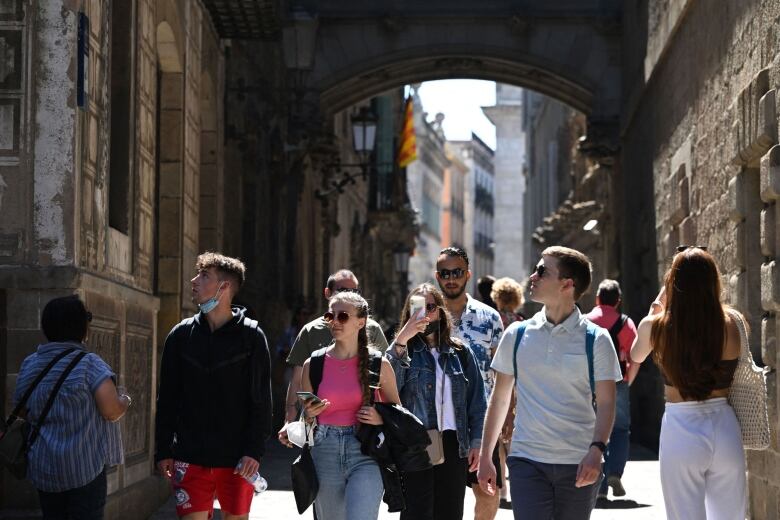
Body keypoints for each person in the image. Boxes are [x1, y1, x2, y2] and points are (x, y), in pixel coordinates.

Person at [478, 246, 622, 520]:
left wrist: (596, 451)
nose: (533, 276)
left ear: (567, 284)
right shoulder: (517, 335)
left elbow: (606, 402)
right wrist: (487, 456)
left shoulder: (597, 339)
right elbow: (499, 399)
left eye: (542, 271)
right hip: (526, 461)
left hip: (579, 463)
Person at [630, 246, 746, 520]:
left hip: (681, 427)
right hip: (724, 425)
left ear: (673, 283)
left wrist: (656, 308)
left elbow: (635, 355)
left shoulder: (656, 327)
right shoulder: (732, 323)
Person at [155, 252, 272, 520]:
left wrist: (253, 451)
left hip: (237, 460)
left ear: (225, 287)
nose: (194, 280)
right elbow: (168, 398)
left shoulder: (252, 337)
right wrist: (163, 449)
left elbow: (261, 402)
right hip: (189, 455)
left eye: (204, 275)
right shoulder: (180, 336)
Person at [13, 295, 128, 519]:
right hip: (84, 471)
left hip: (45, 469)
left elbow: (21, 409)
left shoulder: (30, 364)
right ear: (81, 327)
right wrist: (125, 399)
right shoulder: (90, 365)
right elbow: (112, 411)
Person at [387, 283, 487, 520]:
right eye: (417, 308)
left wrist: (476, 441)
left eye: (430, 306)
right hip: (416, 444)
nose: (424, 314)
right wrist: (401, 340)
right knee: (416, 514)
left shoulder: (460, 352)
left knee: (450, 513)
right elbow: (385, 389)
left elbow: (478, 402)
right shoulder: (403, 351)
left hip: (454, 444)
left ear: (441, 311)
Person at [299, 291, 401, 520]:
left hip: (365, 450)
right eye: (330, 315)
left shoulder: (379, 364)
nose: (334, 321)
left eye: (343, 316)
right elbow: (305, 420)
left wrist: (380, 417)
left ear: (361, 321)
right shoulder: (312, 364)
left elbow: (398, 413)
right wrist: (308, 415)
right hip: (324, 450)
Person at [279, 269, 389, 446]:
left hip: (364, 436)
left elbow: (387, 379)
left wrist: (382, 418)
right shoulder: (310, 331)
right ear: (327, 293)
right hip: (322, 435)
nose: (348, 295)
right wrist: (289, 420)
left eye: (354, 292)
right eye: (342, 290)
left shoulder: (373, 329)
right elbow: (297, 379)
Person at [435, 247, 503, 520]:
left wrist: (508, 415)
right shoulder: (426, 317)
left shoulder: (489, 318)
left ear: (468, 274)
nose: (451, 278)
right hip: (439, 422)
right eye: (445, 273)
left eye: (457, 272)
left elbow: (503, 372)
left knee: (488, 491)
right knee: (441, 498)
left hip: (481, 422)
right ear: (437, 276)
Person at [584, 279, 639, 500]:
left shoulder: (585, 321)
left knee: (594, 431)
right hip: (618, 383)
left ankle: (600, 485)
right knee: (619, 430)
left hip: (589, 383)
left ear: (597, 299)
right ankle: (614, 472)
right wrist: (628, 380)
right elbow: (636, 357)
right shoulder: (625, 323)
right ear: (618, 301)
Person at [489, 276, 525, 510]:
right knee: (513, 439)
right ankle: (521, 487)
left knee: (498, 444)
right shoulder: (522, 323)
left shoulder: (494, 321)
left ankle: (502, 491)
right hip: (520, 386)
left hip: (496, 384)